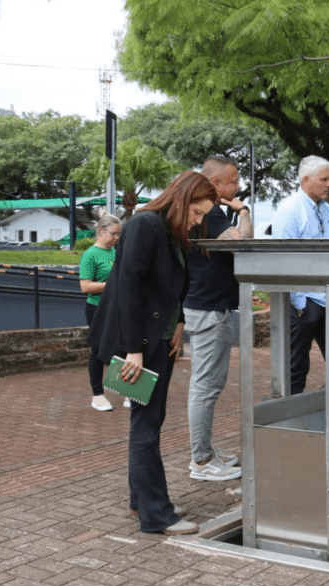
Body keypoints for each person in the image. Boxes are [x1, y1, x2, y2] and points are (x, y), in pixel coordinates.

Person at [88, 170, 218, 536]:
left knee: (147, 420)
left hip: (160, 339)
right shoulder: (145, 225)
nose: (197, 221)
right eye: (196, 213)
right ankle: (156, 514)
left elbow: (172, 284)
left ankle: (141, 499)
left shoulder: (167, 229)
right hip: (142, 344)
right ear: (182, 199)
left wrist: (178, 323)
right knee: (146, 424)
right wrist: (134, 350)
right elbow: (128, 284)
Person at [184, 156, 252, 482]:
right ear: (216, 184)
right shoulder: (210, 212)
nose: (237, 186)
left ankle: (206, 453)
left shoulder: (210, 212)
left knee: (208, 385)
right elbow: (242, 243)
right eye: (233, 180)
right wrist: (243, 210)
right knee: (205, 387)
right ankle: (201, 462)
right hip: (209, 311)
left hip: (210, 309)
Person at [271, 155, 329, 394]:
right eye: (325, 179)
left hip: (328, 298)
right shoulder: (290, 211)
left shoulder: (328, 209)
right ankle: (287, 419)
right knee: (296, 366)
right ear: (306, 180)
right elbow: (281, 259)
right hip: (303, 302)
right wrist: (300, 303)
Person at [80, 215, 122, 411]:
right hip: (97, 308)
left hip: (117, 308)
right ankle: (97, 395)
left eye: (119, 234)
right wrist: (111, 286)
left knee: (124, 348)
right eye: (113, 233)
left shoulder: (116, 253)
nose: (116, 238)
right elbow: (85, 286)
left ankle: (128, 392)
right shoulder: (90, 255)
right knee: (97, 351)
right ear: (101, 231)